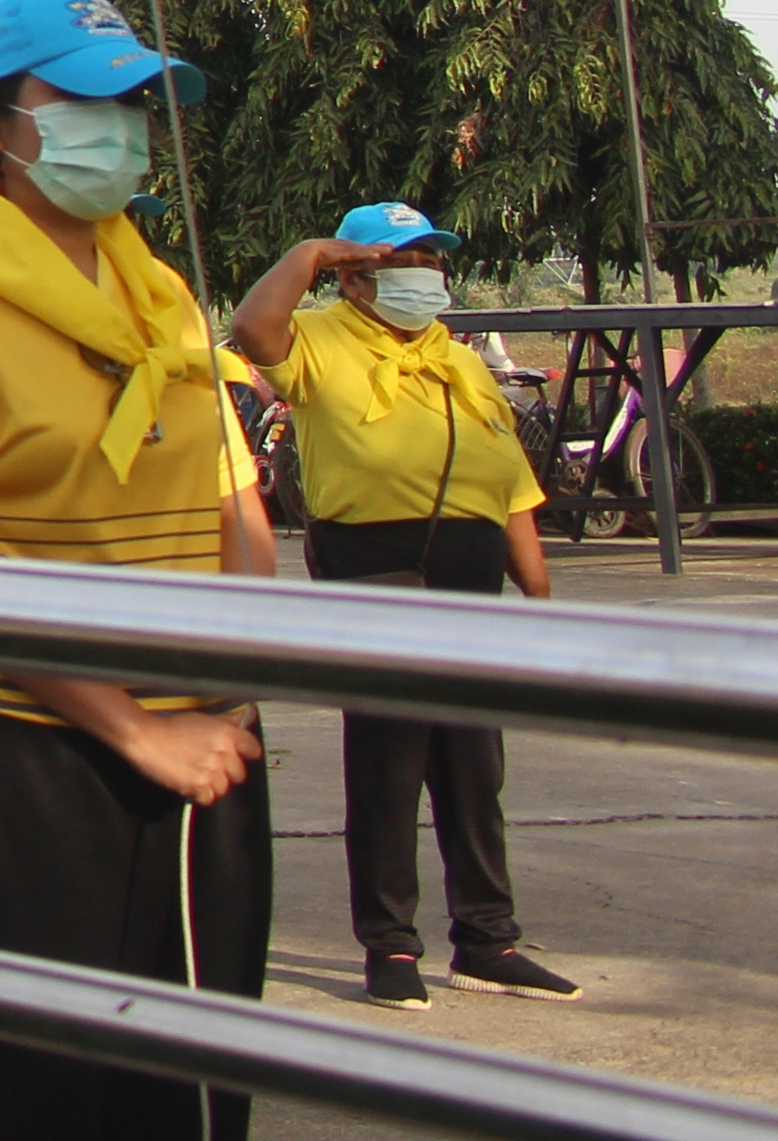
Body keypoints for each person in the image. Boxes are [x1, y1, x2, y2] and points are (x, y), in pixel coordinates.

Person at [0, 0, 272, 1141]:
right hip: (27, 748)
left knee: (196, 1096)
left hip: (205, 740)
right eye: (88, 98)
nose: (125, 125)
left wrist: (236, 679)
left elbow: (235, 495)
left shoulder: (157, 289)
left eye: (140, 99)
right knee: (50, 1098)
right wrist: (137, 729)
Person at [233, 201, 575, 1011]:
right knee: (391, 758)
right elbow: (253, 328)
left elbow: (509, 483)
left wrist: (537, 586)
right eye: (402, 263)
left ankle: (488, 939)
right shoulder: (319, 338)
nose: (424, 275)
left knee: (471, 760)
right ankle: (389, 945)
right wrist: (309, 250)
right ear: (354, 277)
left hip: (468, 563)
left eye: (431, 262)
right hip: (375, 560)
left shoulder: (458, 360)